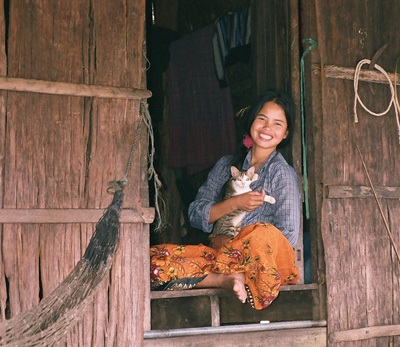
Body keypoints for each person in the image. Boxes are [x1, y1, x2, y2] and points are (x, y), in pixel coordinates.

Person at [150, 90, 301, 310]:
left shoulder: (282, 174)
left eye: (278, 123)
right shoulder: (226, 166)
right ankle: (226, 280)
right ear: (252, 122)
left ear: (286, 133)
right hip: (223, 259)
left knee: (264, 233)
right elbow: (195, 214)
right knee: (152, 260)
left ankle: (239, 274)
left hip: (264, 266)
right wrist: (234, 204)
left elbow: (288, 236)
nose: (268, 128)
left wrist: (235, 245)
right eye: (262, 119)